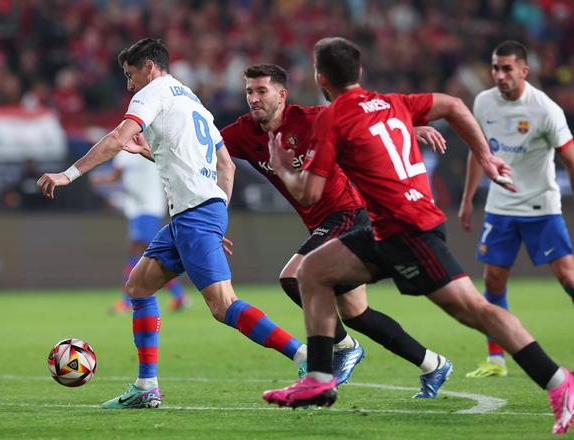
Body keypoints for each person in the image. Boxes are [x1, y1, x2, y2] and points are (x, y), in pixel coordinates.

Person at [261, 37, 573, 435]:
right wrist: (484, 155)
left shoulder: (333, 117)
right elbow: (455, 106)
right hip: (385, 229)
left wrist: (282, 166)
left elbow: (308, 192)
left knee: (475, 311)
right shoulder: (394, 102)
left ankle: (558, 381)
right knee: (312, 272)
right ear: (359, 72)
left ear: (321, 78)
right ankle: (320, 381)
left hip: (410, 231)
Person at [37, 38, 308, 410]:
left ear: (149, 67)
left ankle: (305, 357)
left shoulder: (152, 94)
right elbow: (225, 164)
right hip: (197, 212)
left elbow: (117, 138)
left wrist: (69, 174)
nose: (129, 85)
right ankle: (146, 387)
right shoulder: (191, 100)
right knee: (139, 286)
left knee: (222, 305)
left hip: (195, 213)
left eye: (131, 75)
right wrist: (217, 212)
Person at [221, 63, 453, 396]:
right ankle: (433, 364)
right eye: (249, 91)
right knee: (356, 313)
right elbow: (201, 149)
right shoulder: (243, 133)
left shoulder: (310, 118)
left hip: (349, 212)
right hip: (321, 222)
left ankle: (344, 349)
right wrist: (152, 149)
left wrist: (410, 127)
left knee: (294, 277)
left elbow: (363, 122)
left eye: (261, 91)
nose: (254, 98)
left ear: (282, 95)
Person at [458, 40, 574, 379]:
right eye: (495, 67)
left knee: (568, 276)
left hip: (541, 206)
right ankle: (495, 360)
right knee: (493, 281)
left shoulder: (545, 109)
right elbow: (478, 152)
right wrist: (467, 199)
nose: (499, 75)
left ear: (524, 70)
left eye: (507, 68)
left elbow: (568, 156)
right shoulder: (483, 102)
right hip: (500, 207)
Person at [90, 151, 189, 313]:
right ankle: (178, 296)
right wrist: (101, 179)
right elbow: (117, 176)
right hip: (136, 209)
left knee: (139, 252)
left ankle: (127, 301)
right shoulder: (125, 152)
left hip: (148, 207)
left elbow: (169, 168)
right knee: (146, 255)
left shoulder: (147, 146)